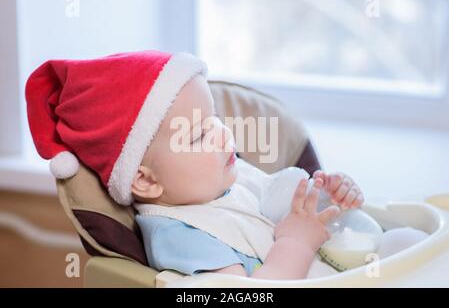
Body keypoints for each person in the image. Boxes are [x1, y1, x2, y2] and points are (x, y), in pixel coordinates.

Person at [25, 50, 427, 280]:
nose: (220, 134)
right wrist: (296, 243)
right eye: (198, 134)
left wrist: (332, 196)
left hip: (346, 267)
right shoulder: (182, 235)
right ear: (145, 181)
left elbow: (295, 210)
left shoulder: (229, 181)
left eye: (214, 118)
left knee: (412, 242)